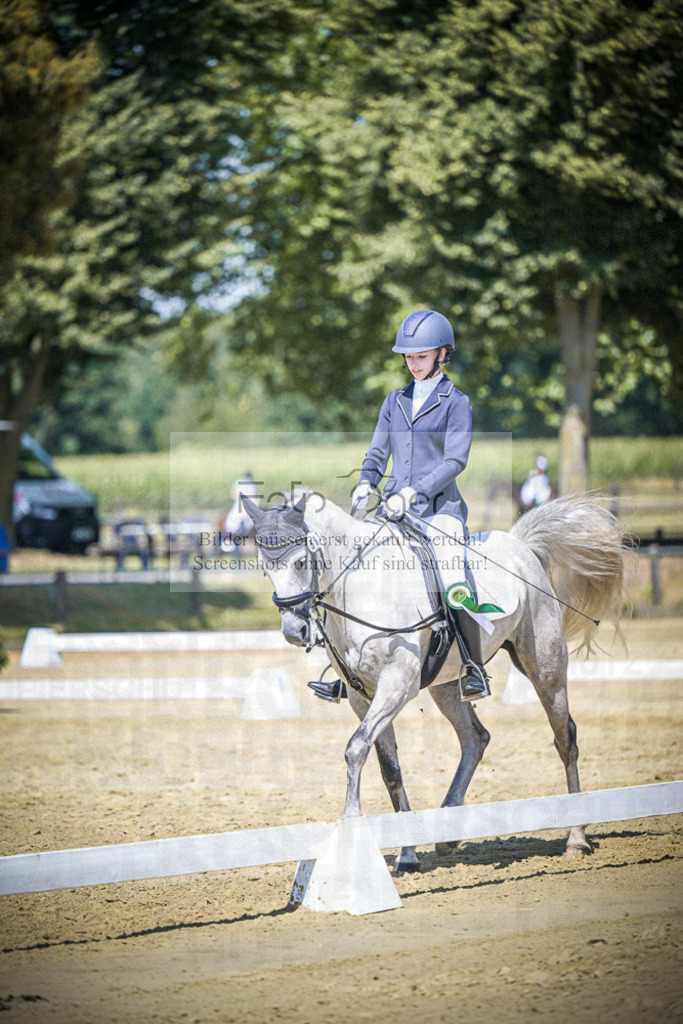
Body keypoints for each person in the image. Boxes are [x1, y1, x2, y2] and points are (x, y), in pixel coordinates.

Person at [351, 308, 490, 700]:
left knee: (453, 578)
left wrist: (416, 491)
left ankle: (473, 666)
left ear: (442, 354)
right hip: (393, 510)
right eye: (408, 357)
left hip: (440, 511)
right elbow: (378, 453)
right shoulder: (394, 401)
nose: (413, 363)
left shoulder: (455, 402)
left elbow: (455, 460)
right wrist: (366, 481)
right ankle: (344, 666)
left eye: (421, 356)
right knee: (356, 566)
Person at [219, 472, 260, 555]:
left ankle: (231, 544)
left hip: (239, 505)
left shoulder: (238, 481)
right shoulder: (252, 483)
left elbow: (232, 493)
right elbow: (256, 495)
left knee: (231, 525)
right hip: (250, 506)